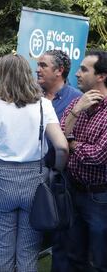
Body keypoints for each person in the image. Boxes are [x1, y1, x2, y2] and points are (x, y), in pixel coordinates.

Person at [0, 53, 68, 272]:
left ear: (3, 76)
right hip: (34, 181)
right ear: (26, 74)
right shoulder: (42, 105)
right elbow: (62, 146)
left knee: (3, 249)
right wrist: (57, 170)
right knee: (28, 252)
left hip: (1, 179)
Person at [60, 50, 107, 271]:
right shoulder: (77, 103)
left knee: (98, 260)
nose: (77, 74)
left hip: (99, 197)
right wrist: (75, 113)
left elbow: (97, 155)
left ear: (101, 76)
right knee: (74, 254)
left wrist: (70, 142)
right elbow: (58, 137)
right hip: (73, 190)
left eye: (84, 69)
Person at [36, 49, 82, 272]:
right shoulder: (31, 96)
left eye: (43, 65)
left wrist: (57, 169)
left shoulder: (76, 100)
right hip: (31, 175)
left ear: (59, 71)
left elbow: (73, 142)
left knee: (61, 240)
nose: (37, 69)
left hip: (60, 180)